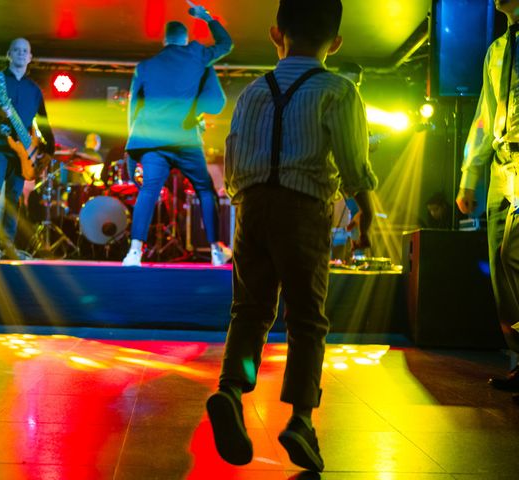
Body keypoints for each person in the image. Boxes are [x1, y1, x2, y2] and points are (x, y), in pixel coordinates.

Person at [206, 0, 377, 470]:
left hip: (252, 207)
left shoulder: (254, 92)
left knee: (250, 310)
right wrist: (366, 212)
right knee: (306, 318)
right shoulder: (338, 89)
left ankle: (231, 391)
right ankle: (300, 419)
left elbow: (234, 156)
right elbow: (352, 162)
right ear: (335, 43)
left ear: (275, 34)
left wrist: (247, 201)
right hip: (302, 211)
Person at [121, 4, 233, 267]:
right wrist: (206, 17)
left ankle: (134, 252)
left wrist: (131, 148)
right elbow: (226, 43)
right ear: (185, 40)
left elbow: (133, 110)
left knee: (148, 190)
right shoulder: (196, 54)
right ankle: (217, 250)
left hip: (151, 140)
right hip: (185, 139)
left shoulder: (145, 67)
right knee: (205, 190)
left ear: (164, 41)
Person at [456, 0, 519, 404]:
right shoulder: (498, 48)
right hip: (502, 164)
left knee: (513, 253)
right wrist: (470, 176)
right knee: (500, 264)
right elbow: (484, 115)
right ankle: (518, 357)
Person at [0, 37, 54, 259]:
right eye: (16, 50)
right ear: (9, 54)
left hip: (23, 154)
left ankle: (7, 245)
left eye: (25, 51)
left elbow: (44, 121)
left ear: (30, 57)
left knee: (14, 196)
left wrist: (49, 150)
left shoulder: (34, 90)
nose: (20, 53)